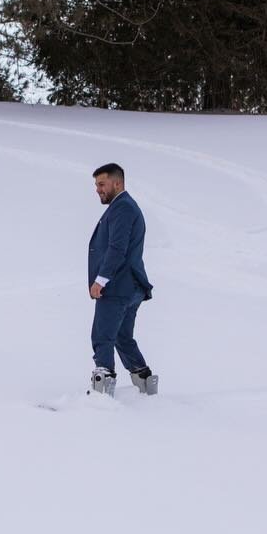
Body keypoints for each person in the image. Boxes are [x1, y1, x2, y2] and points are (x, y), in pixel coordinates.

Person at [87, 163, 158, 396]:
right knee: (122, 337)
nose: (98, 189)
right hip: (130, 287)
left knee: (102, 336)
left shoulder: (123, 208)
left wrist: (100, 280)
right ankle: (146, 388)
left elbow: (117, 248)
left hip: (118, 286)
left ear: (117, 183)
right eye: (96, 185)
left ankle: (102, 393)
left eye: (102, 184)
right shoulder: (125, 207)